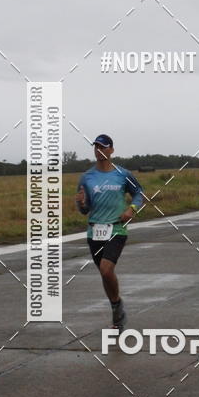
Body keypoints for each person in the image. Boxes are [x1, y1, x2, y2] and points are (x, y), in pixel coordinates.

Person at [75, 134, 143, 330]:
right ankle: (116, 307)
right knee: (105, 274)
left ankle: (116, 306)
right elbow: (84, 209)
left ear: (111, 150)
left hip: (116, 228)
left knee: (106, 269)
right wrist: (81, 204)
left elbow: (139, 193)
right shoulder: (87, 178)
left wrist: (132, 209)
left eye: (103, 147)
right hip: (94, 231)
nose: (99, 150)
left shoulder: (123, 174)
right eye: (96, 147)